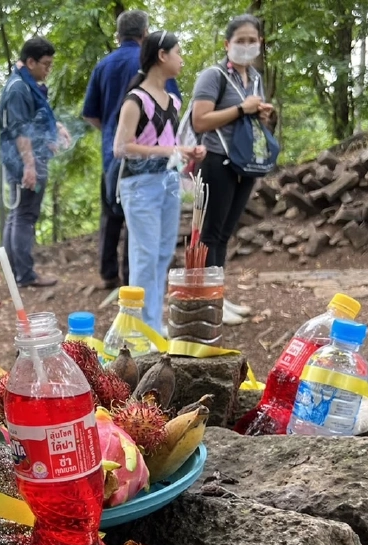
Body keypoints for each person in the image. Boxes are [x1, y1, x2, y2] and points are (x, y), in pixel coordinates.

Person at [83, 10, 183, 291]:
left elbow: (90, 113)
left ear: (118, 35)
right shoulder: (153, 68)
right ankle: (133, 283)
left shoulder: (103, 66)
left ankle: (109, 274)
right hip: (147, 158)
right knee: (139, 221)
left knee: (112, 212)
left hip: (112, 154)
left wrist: (113, 132)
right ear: (145, 34)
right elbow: (169, 111)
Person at [113, 31, 206, 333]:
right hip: (139, 186)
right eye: (178, 52)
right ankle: (138, 329)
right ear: (162, 55)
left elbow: (172, 144)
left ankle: (152, 323)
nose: (181, 59)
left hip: (168, 182)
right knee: (144, 254)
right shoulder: (135, 100)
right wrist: (171, 150)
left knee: (164, 253)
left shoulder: (174, 101)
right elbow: (121, 147)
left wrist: (188, 153)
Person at [189, 14, 273, 326]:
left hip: (245, 162)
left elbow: (248, 118)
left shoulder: (256, 79)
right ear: (227, 44)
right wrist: (241, 109)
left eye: (252, 40)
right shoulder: (213, 76)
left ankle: (218, 296)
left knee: (225, 233)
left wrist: (260, 115)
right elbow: (200, 120)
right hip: (215, 159)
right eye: (241, 40)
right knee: (209, 233)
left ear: (260, 43)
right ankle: (208, 301)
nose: (247, 46)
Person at [0, 36, 70, 288]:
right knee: (24, 215)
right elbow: (20, 130)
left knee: (17, 214)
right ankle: (25, 275)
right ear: (30, 62)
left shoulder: (23, 85)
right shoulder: (18, 88)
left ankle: (15, 273)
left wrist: (56, 127)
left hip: (23, 158)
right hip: (23, 160)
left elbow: (35, 119)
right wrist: (29, 165)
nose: (48, 70)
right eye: (46, 64)